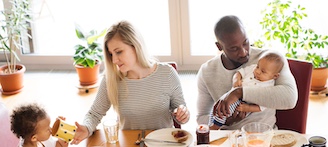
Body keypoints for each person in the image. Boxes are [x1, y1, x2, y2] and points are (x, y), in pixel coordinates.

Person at [71, 20, 190, 145]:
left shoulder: (167, 73)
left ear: (135, 46)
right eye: (111, 54)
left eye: (119, 52)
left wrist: (182, 114)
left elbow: (181, 110)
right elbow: (94, 114)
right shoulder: (111, 80)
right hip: (131, 143)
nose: (115, 60)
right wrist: (86, 127)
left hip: (164, 143)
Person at [196, 15, 297, 130]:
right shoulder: (207, 71)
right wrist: (226, 122)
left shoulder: (270, 60)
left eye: (245, 42)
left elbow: (290, 98)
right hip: (227, 139)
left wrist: (238, 92)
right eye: (234, 48)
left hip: (264, 138)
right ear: (219, 46)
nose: (243, 52)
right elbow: (201, 117)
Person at [210, 52, 284, 130]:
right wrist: (236, 80)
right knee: (217, 106)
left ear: (275, 76)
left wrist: (248, 108)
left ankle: (215, 126)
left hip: (244, 103)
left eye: (263, 71)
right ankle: (211, 123)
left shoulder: (269, 88)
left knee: (225, 109)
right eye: (258, 67)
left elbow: (262, 107)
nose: (258, 71)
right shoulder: (252, 69)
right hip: (232, 94)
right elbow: (239, 72)